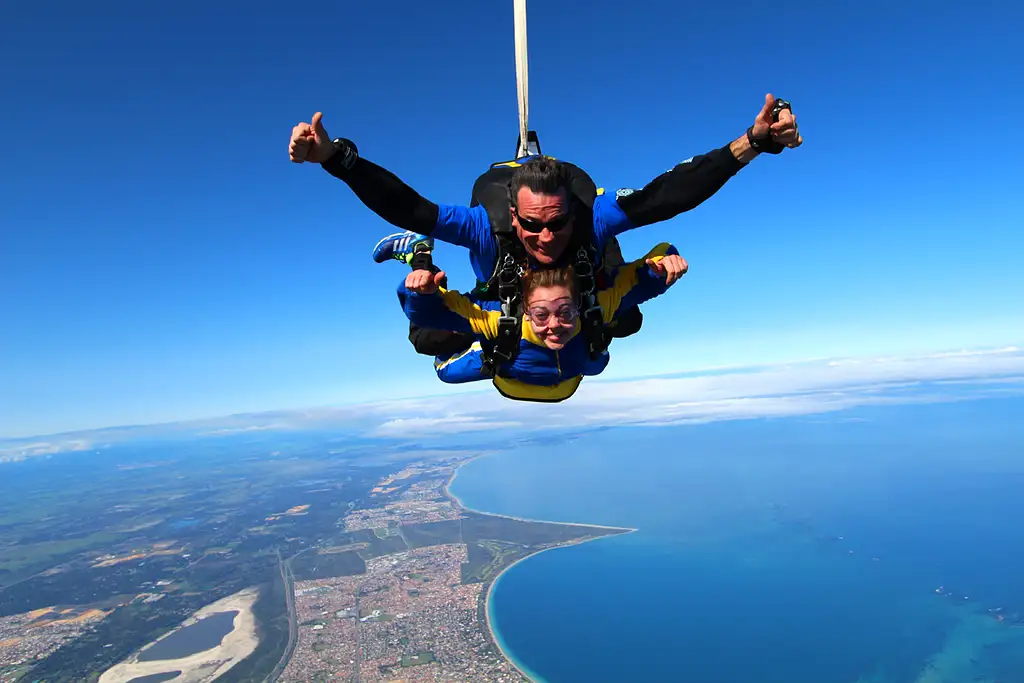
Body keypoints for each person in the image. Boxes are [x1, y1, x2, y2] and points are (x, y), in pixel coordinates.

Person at [288, 94, 801, 360]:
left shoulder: (588, 219)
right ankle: (418, 257)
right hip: (504, 296)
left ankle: (606, 270)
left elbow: (667, 195)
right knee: (425, 338)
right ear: (513, 217)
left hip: (583, 277)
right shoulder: (483, 226)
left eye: (557, 223)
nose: (547, 237)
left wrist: (752, 143)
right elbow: (411, 209)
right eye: (532, 227)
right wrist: (335, 158)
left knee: (624, 321)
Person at [395, 242, 689, 401]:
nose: (554, 325)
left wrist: (664, 263)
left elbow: (643, 275)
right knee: (427, 340)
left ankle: (599, 236)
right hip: (514, 331)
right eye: (541, 315)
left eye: (565, 313)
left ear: (576, 306)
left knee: (626, 318)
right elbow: (431, 314)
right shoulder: (500, 321)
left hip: (519, 357)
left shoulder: (590, 312)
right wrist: (423, 283)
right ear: (526, 311)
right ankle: (419, 250)